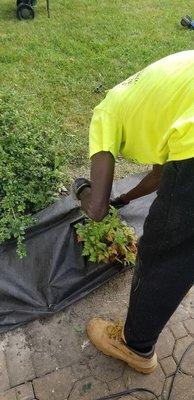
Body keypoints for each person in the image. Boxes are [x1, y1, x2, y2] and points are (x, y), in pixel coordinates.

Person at [74, 51, 194, 374]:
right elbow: (158, 175)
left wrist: (81, 190)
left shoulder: (105, 113)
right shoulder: (150, 99)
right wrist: (124, 199)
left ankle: (134, 345)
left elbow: (96, 209)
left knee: (162, 247)